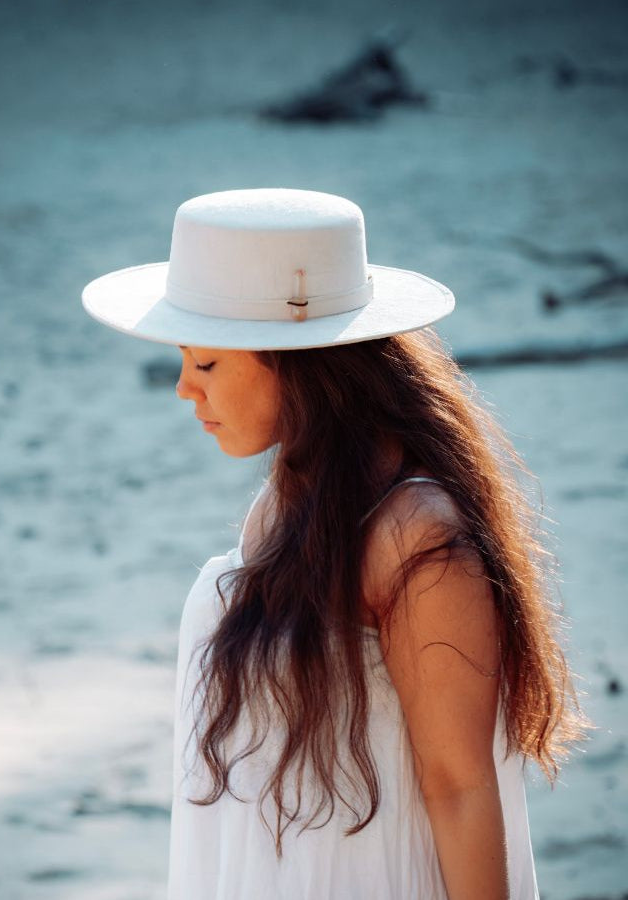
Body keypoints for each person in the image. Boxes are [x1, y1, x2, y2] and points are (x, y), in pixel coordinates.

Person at [81, 188, 585, 900]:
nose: (184, 389)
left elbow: (460, 786)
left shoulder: (415, 536)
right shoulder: (291, 499)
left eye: (208, 363)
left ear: (297, 364)